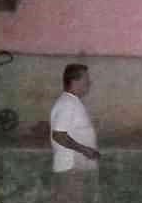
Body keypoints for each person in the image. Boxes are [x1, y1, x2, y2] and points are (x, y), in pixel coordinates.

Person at [50, 64, 100, 203]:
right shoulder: (67, 103)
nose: (89, 83)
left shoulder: (72, 102)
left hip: (74, 169)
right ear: (74, 81)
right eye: (86, 79)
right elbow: (58, 135)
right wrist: (85, 150)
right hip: (70, 168)